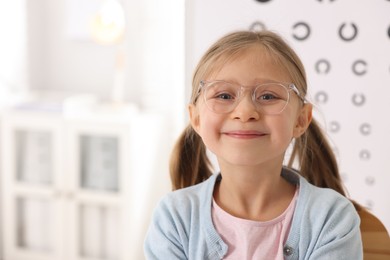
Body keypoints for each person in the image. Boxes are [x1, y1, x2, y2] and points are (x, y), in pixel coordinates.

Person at [144, 30, 363, 259]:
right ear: (196, 118)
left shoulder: (331, 217)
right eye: (224, 95)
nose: (245, 112)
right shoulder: (174, 217)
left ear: (300, 119)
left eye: (268, 96)